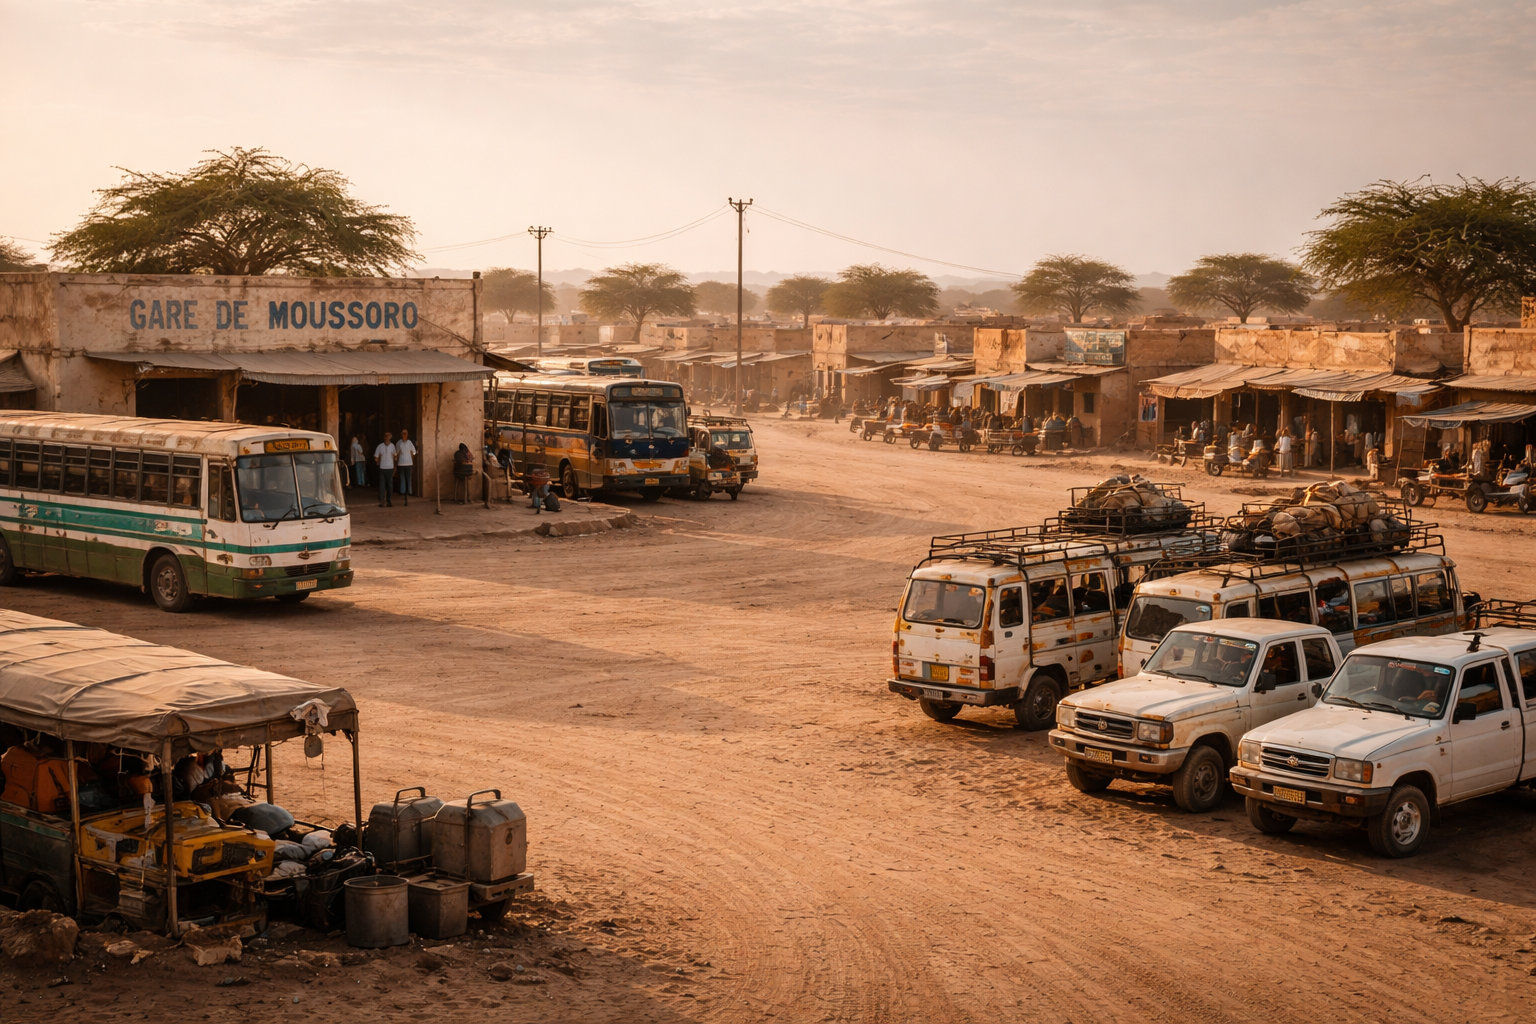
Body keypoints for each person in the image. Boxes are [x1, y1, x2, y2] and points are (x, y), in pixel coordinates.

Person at [374, 432, 397, 507]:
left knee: (389, 485)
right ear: (384, 437)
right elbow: (376, 457)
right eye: (386, 436)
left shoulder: (392, 446)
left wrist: (395, 467)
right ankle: (382, 501)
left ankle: (389, 500)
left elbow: (395, 457)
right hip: (382, 468)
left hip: (390, 468)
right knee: (382, 485)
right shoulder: (380, 446)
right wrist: (378, 460)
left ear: (390, 437)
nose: (387, 438)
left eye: (388, 436)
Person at [395, 429, 417, 506]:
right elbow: (397, 453)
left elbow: (413, 452)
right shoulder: (399, 443)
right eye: (403, 434)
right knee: (402, 478)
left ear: (407, 435)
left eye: (405, 434)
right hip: (401, 463)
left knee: (408, 478)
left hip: (409, 463)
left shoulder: (409, 443)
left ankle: (409, 491)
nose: (404, 435)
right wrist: (396, 462)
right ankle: (403, 491)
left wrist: (412, 459)